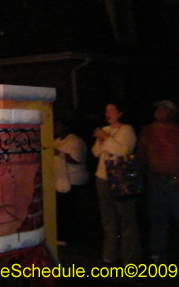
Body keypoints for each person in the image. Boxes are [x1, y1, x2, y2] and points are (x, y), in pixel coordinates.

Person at [135, 99, 179, 264]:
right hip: (155, 182)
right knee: (158, 222)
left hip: (175, 182)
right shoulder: (147, 130)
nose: (160, 112)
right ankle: (158, 256)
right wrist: (147, 174)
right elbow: (142, 154)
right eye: (158, 109)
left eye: (164, 109)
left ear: (171, 113)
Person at [91, 101, 141, 265]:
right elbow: (96, 152)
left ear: (120, 113)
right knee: (108, 219)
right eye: (106, 111)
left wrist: (106, 138)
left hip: (121, 179)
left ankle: (129, 258)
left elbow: (123, 151)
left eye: (112, 111)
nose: (108, 114)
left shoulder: (127, 130)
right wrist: (101, 139)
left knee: (126, 219)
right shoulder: (105, 129)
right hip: (103, 178)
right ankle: (109, 255)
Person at [53, 117, 89, 246]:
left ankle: (72, 238)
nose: (55, 128)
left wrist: (59, 153)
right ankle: (63, 235)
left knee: (70, 209)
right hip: (60, 179)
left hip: (73, 179)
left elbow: (76, 159)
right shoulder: (56, 141)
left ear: (65, 127)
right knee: (62, 208)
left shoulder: (74, 141)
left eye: (58, 125)